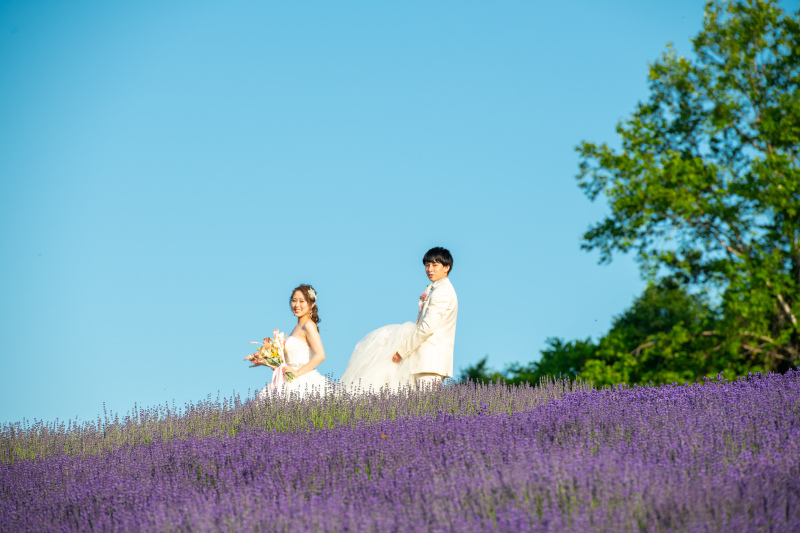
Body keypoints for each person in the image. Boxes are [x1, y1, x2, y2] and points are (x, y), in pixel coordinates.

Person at [340, 247, 458, 390]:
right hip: (424, 361)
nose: (429, 269)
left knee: (427, 408)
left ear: (446, 267)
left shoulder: (443, 292)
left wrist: (402, 351)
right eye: (427, 265)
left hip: (430, 360)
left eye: (434, 265)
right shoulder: (436, 290)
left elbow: (427, 328)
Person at [256, 284, 329, 398]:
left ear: (312, 304)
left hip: (302, 378)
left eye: (302, 301)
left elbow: (320, 355)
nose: (297, 305)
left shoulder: (308, 325)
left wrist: (298, 372)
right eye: (294, 301)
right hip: (287, 376)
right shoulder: (297, 327)